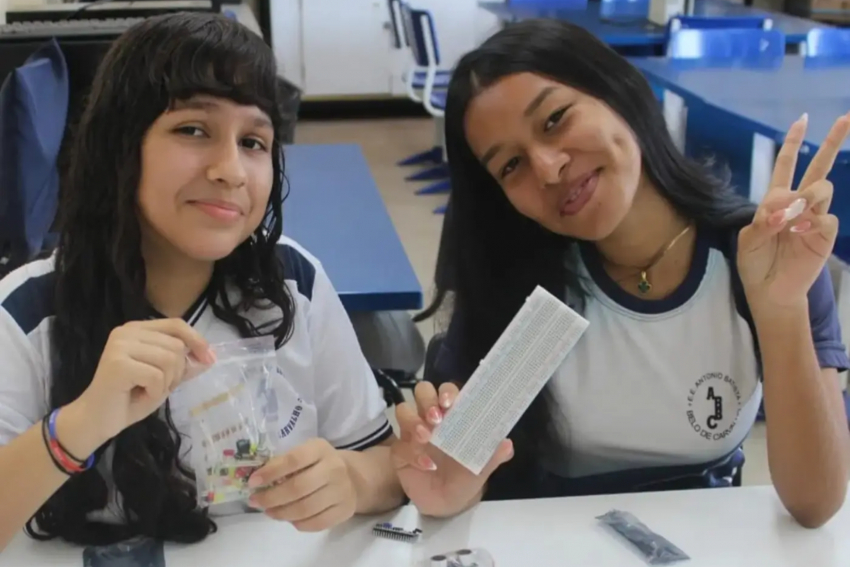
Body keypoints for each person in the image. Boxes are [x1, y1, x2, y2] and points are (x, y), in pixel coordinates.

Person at [392, 19, 850, 528]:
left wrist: (781, 310)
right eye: (511, 166)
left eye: (554, 120)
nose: (547, 167)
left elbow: (815, 503)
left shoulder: (757, 257)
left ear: (618, 92)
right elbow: (449, 471)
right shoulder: (528, 295)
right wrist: (436, 482)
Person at [0, 13, 404, 552]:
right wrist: (78, 425)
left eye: (255, 142)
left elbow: (383, 462)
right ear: (120, 147)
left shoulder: (290, 283)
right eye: (193, 129)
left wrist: (350, 482)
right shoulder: (28, 312)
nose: (231, 170)